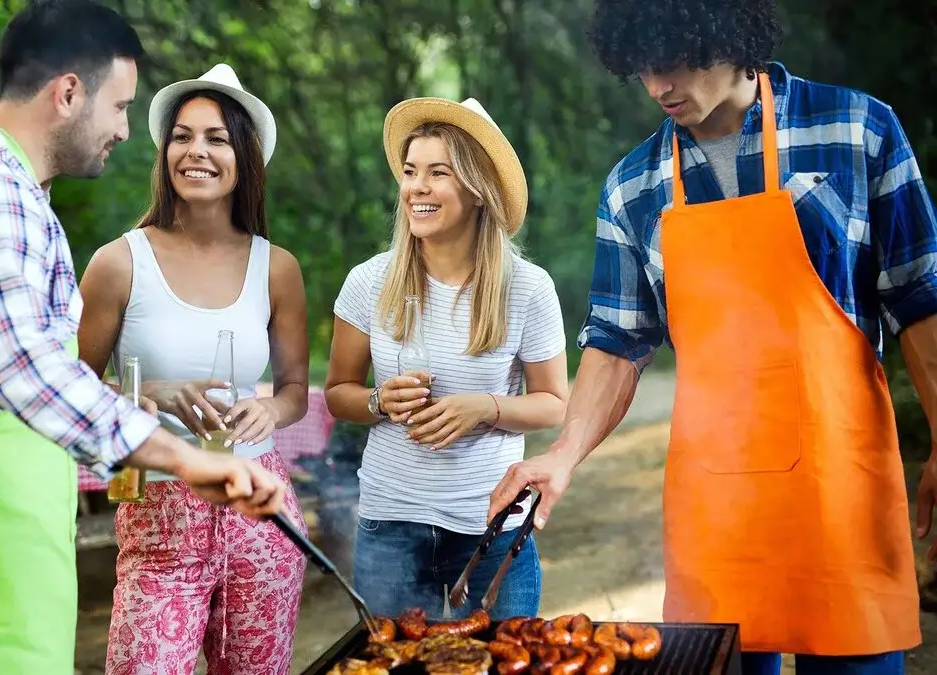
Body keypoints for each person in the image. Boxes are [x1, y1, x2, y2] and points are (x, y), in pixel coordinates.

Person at [488, 1, 937, 673]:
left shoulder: (857, 127)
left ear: (726, 32)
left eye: (673, 62)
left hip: (842, 487)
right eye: (642, 69)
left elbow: (919, 297)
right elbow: (616, 342)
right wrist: (564, 454)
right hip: (717, 504)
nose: (658, 87)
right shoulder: (632, 187)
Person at [0, 6, 287, 675]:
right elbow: (28, 373)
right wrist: (186, 458)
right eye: (119, 106)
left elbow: (41, 373)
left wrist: (148, 400)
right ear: (67, 94)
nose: (124, 130)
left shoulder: (22, 199)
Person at [76, 63, 309, 675]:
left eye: (216, 138)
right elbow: (66, 390)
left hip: (261, 512)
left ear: (244, 159)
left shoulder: (277, 267)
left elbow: (294, 391)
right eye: (182, 136)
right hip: (156, 511)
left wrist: (270, 408)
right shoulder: (118, 263)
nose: (196, 151)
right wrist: (150, 390)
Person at [324, 96, 570, 620]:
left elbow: (554, 404)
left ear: (478, 190)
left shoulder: (527, 288)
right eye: (411, 171)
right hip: (389, 523)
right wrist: (378, 401)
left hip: (491, 526)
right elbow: (338, 394)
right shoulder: (369, 281)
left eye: (438, 173)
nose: (417, 186)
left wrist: (484, 407)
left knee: (504, 656)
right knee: (393, 657)